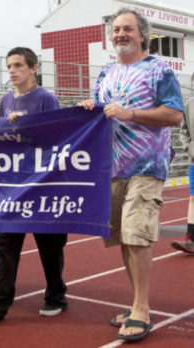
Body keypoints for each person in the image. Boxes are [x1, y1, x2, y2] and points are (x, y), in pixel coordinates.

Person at [77, 8, 184, 342]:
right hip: (112, 168)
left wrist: (131, 113)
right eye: (115, 29)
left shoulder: (159, 70)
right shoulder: (105, 75)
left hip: (147, 167)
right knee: (123, 237)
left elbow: (175, 115)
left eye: (127, 29)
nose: (120, 34)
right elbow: (101, 112)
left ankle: (141, 308)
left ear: (142, 35)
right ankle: (137, 303)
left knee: (137, 235)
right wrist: (88, 107)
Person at [0, 47, 67, 321]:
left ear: (33, 68)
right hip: (13, 184)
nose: (12, 70)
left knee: (49, 245)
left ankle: (56, 294)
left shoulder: (46, 98)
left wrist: (28, 126)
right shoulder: (6, 100)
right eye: (9, 65)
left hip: (43, 183)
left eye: (18, 65)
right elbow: (1, 136)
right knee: (5, 242)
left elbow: (55, 138)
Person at [171, 96, 194, 253]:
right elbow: (183, 132)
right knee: (193, 198)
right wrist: (190, 149)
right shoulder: (189, 104)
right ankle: (191, 239)